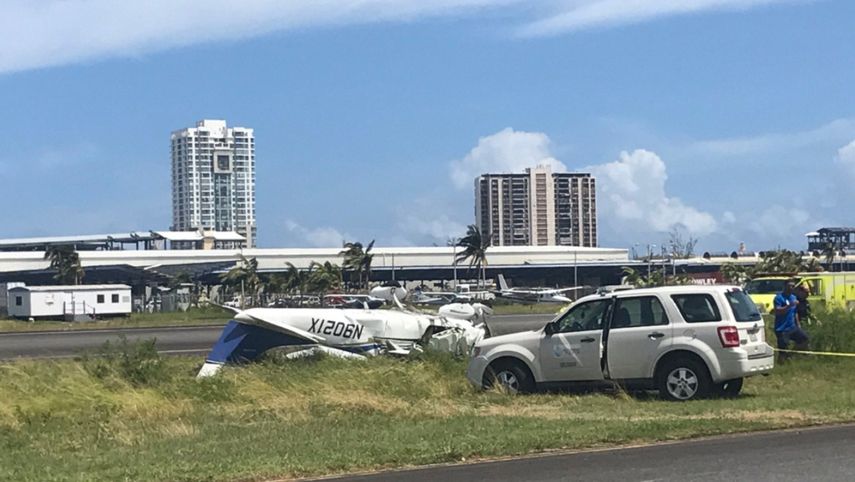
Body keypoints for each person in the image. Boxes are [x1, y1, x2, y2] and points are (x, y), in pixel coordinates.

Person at [773, 280, 809, 360]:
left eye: (793, 286)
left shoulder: (793, 297)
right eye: (789, 286)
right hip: (781, 328)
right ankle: (782, 362)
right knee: (783, 350)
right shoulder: (778, 298)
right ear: (785, 286)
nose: (791, 288)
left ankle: (791, 354)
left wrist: (798, 324)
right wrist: (789, 306)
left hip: (792, 327)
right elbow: (777, 311)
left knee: (804, 339)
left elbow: (795, 312)